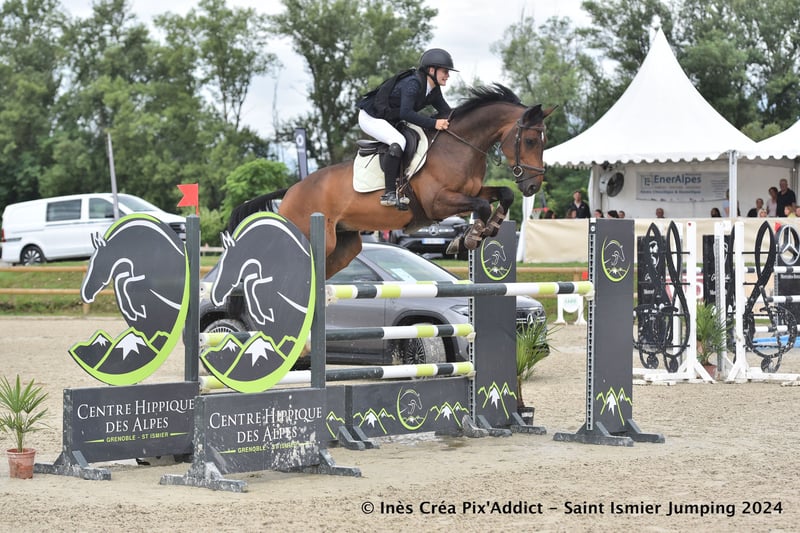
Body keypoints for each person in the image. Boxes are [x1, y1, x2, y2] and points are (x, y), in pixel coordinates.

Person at [357, 48, 456, 208]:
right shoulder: (413, 84)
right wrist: (434, 123)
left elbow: (446, 112)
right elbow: (406, 113)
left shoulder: (434, 90)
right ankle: (389, 193)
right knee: (399, 141)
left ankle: (403, 185)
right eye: (445, 71)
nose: (448, 75)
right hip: (371, 117)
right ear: (432, 70)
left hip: (390, 118)